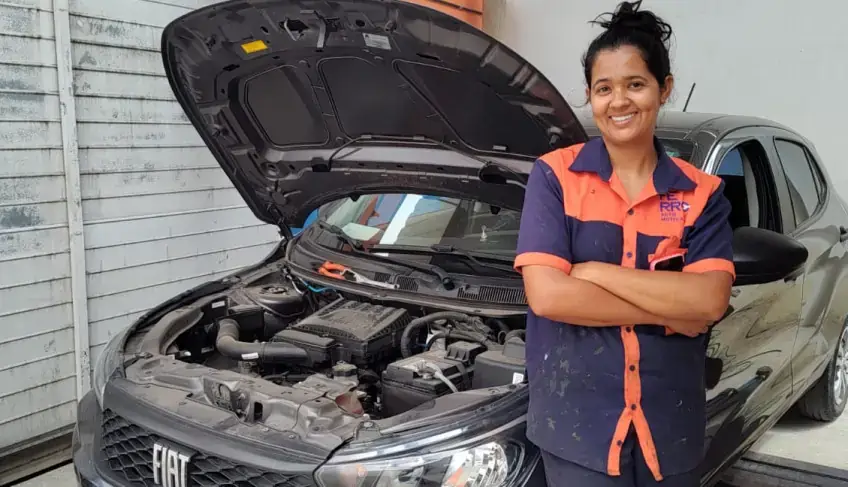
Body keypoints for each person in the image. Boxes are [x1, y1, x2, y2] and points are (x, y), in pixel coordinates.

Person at [513, 1, 735, 486]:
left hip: (669, 430)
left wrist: (595, 272)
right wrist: (675, 308)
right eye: (603, 88)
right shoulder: (554, 177)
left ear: (664, 88)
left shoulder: (703, 194)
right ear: (591, 97)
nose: (619, 102)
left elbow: (710, 300)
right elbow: (548, 295)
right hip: (577, 431)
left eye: (635, 84)